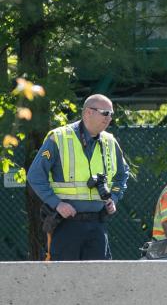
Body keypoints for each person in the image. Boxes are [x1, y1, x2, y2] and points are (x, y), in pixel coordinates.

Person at [26, 94, 129, 261]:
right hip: (66, 224)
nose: (109, 118)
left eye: (111, 114)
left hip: (97, 224)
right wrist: (56, 203)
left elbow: (122, 174)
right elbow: (35, 175)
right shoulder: (59, 137)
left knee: (98, 279)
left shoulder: (110, 141)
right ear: (88, 112)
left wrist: (114, 198)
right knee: (64, 280)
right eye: (105, 112)